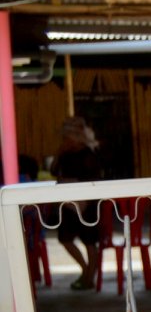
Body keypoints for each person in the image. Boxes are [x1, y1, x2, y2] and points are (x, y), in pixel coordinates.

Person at [48, 116, 104, 290]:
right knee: (65, 239)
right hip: (68, 203)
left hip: (87, 204)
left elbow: (94, 178)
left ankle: (90, 278)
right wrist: (59, 153)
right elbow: (53, 171)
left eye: (68, 137)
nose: (66, 140)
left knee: (89, 241)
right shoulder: (65, 154)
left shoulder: (88, 153)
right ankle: (85, 270)